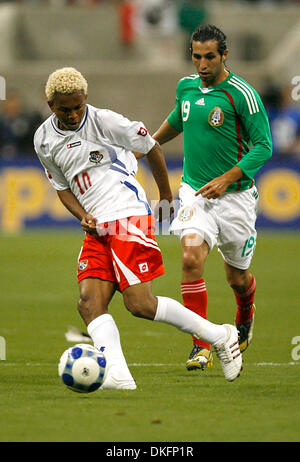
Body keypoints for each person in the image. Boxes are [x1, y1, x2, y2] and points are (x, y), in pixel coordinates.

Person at [33, 66, 243, 389]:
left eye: (78, 106)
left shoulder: (105, 121)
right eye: (65, 109)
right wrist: (81, 215)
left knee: (140, 304)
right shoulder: (43, 139)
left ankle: (219, 335)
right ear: (51, 105)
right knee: (89, 304)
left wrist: (166, 197)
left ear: (85, 98)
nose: (74, 114)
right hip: (96, 226)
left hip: (127, 214)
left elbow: (151, 148)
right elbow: (61, 186)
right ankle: (118, 376)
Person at [153, 25, 272, 372]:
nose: (202, 64)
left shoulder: (242, 95)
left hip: (235, 197)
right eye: (196, 57)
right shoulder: (186, 87)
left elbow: (264, 146)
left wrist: (227, 178)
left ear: (224, 55)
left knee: (237, 278)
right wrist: (148, 142)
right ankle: (201, 344)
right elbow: (180, 119)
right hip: (195, 191)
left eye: (209, 57)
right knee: (190, 259)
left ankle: (245, 313)